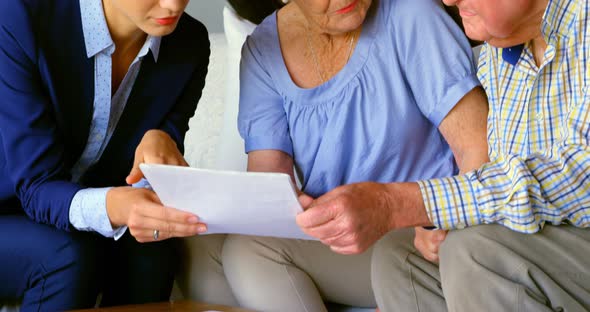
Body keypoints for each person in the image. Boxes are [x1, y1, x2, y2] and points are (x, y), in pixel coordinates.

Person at [293, 0, 590, 310]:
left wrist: (402, 204)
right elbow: (502, 170)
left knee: (475, 251)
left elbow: (577, 178)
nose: (448, 0)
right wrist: (438, 221)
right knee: (400, 256)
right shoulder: (501, 44)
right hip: (543, 240)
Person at [221, 0, 490, 310]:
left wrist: (444, 223)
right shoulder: (263, 50)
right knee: (207, 256)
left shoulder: (411, 13)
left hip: (419, 229)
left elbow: (478, 149)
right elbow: (269, 189)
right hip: (342, 238)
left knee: (248, 251)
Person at [0, 0, 213, 310]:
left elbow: (162, 151)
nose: (173, 4)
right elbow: (36, 186)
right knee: (65, 255)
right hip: (8, 210)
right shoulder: (19, 17)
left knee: (152, 252)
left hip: (72, 206)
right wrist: (116, 206)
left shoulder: (189, 43)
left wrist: (161, 140)